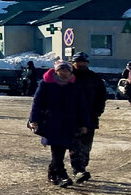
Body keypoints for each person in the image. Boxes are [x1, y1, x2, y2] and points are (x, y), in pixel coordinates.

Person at [28, 60, 90, 187]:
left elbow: (81, 106)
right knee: (57, 149)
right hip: (51, 121)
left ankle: (54, 172)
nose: (64, 73)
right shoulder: (46, 84)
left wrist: (84, 124)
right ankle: (62, 175)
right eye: (61, 70)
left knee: (66, 148)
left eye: (67, 70)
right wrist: (34, 119)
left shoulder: (75, 85)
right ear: (56, 71)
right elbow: (37, 103)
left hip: (69, 122)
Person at [70, 52, 106, 182]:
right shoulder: (68, 76)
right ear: (73, 62)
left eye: (84, 62)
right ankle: (77, 170)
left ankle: (81, 168)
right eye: (78, 62)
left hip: (90, 118)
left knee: (86, 146)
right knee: (74, 145)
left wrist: (97, 112)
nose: (81, 64)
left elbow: (101, 96)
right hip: (71, 117)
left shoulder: (94, 78)